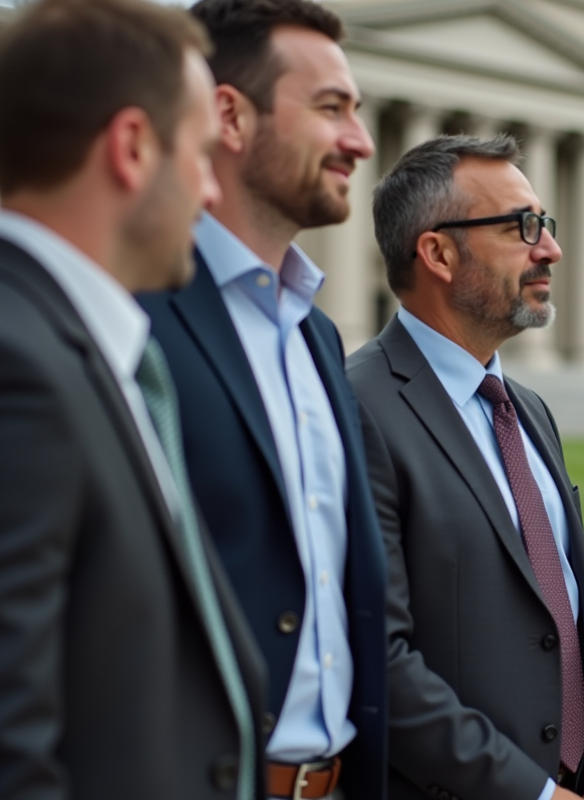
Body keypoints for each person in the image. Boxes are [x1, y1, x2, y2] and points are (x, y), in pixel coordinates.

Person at [0, 1, 270, 798]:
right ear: (130, 149)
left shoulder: (81, 351)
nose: (212, 194)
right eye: (198, 153)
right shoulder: (20, 369)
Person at [137, 1, 387, 798]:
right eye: (330, 109)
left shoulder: (317, 336)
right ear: (229, 117)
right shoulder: (131, 316)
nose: (361, 141)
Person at [347, 135, 584, 800]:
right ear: (439, 253)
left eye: (546, 224)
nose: (551, 249)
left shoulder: (529, 411)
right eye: (521, 227)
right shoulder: (356, 406)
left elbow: (578, 617)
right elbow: (380, 659)